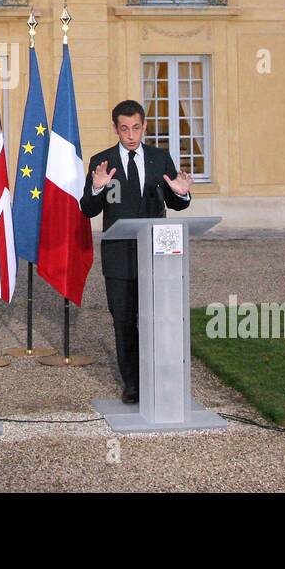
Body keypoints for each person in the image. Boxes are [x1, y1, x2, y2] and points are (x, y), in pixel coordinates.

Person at [79, 99, 194, 404]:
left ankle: (158, 378)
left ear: (144, 126)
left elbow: (175, 201)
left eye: (136, 128)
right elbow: (87, 209)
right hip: (118, 256)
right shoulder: (101, 161)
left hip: (156, 253)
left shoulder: (159, 158)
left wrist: (183, 194)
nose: (131, 135)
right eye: (124, 128)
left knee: (156, 318)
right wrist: (98, 187)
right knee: (124, 319)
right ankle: (133, 384)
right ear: (115, 128)